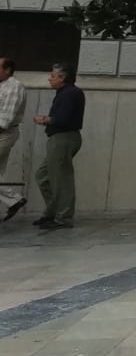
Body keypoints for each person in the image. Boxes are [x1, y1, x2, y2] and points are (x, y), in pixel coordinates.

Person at [33, 63, 85, 230]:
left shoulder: (71, 93)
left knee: (62, 179)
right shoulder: (65, 93)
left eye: (53, 76)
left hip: (64, 138)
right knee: (43, 176)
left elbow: (63, 119)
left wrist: (45, 120)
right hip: (59, 138)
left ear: (62, 78)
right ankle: (53, 212)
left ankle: (63, 217)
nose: (50, 78)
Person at [0, 57, 26, 221]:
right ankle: (13, 202)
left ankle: (14, 199)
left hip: (4, 133)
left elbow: (5, 120)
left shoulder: (14, 87)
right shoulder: (2, 86)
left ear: (8, 69)